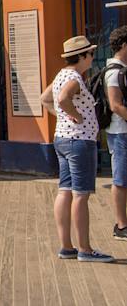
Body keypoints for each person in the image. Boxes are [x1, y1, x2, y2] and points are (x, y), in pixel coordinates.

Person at [39, 35, 113, 263]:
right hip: (80, 142)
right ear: (81, 56)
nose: (92, 57)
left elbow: (45, 98)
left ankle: (67, 246)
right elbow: (61, 98)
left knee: (65, 190)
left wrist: (64, 115)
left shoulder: (62, 74)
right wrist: (76, 116)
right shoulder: (74, 78)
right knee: (81, 195)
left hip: (62, 139)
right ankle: (85, 249)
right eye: (90, 53)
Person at [103, 26, 127, 240]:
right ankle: (121, 226)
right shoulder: (114, 72)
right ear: (124, 45)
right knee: (120, 179)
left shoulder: (122, 69)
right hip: (120, 133)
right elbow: (115, 105)